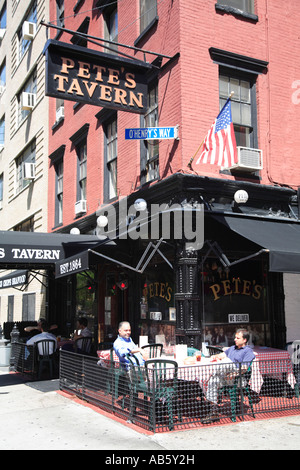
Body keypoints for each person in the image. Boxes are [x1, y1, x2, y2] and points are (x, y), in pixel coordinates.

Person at [202, 328, 255, 424]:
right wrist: (215, 356)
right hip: (225, 377)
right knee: (212, 381)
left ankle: (210, 373)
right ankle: (214, 412)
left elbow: (244, 369)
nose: (235, 339)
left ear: (244, 340)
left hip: (238, 379)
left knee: (227, 361)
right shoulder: (232, 348)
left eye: (238, 338)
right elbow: (222, 355)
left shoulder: (248, 351)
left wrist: (232, 375)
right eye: (235, 337)